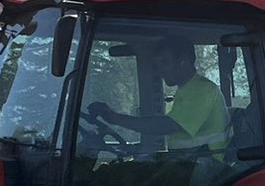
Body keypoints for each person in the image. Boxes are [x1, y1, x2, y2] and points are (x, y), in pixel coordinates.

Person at [87, 34, 230, 158]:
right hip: (189, 161)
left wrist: (116, 118)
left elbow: (168, 125)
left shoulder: (203, 89)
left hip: (208, 167)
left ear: (183, 61)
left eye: (164, 62)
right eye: (157, 64)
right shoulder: (186, 89)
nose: (160, 70)